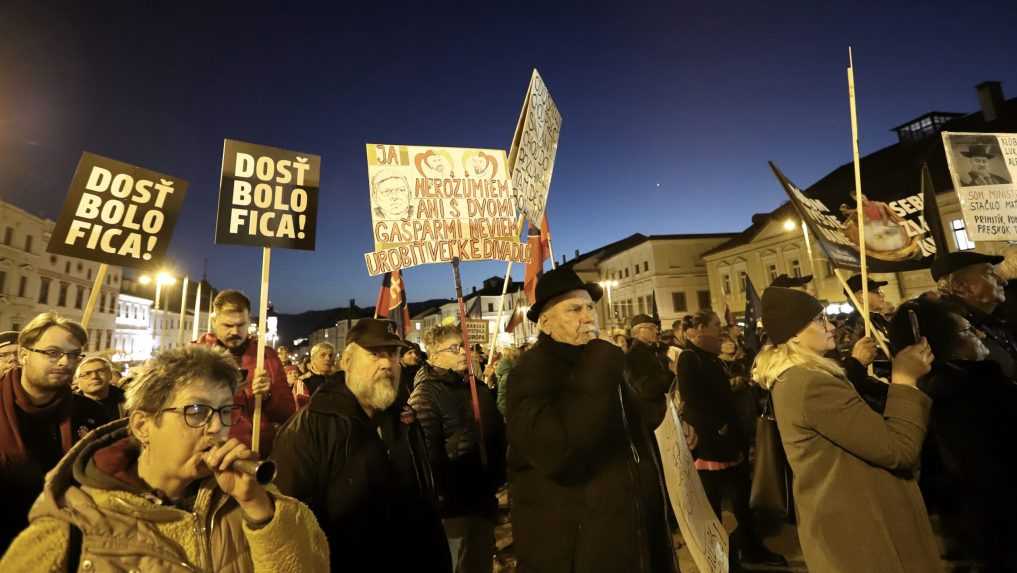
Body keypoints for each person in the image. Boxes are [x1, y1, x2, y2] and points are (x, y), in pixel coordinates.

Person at [0, 344, 329, 571]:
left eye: (225, 412)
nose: (217, 428)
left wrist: (260, 510)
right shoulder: (70, 527)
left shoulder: (248, 499)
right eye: (197, 411)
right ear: (143, 425)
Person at [753, 286, 940, 572]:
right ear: (793, 333)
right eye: (818, 320)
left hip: (851, 518)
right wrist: (904, 381)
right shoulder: (810, 384)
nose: (830, 327)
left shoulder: (800, 379)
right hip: (862, 528)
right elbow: (899, 449)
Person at [505, 267, 678, 573]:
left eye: (589, 308)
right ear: (545, 323)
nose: (587, 317)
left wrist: (660, 401)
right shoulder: (532, 373)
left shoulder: (599, 363)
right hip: (581, 546)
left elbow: (632, 425)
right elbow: (558, 450)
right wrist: (599, 367)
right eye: (574, 309)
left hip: (631, 533)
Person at [272, 319, 451, 572]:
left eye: (393, 353)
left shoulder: (405, 419)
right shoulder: (308, 429)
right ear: (347, 362)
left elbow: (425, 504)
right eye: (375, 354)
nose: (387, 363)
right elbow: (289, 527)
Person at [889, 298, 1017, 570]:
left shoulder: (928, 390)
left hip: (970, 528)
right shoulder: (976, 389)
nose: (979, 335)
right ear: (941, 344)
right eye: (968, 331)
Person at [676, 309, 785, 568]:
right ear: (700, 329)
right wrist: (719, 428)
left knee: (742, 502)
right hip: (712, 446)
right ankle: (720, 560)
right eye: (715, 325)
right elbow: (693, 400)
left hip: (729, 440)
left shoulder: (712, 358)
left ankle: (751, 549)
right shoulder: (690, 358)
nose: (721, 329)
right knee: (714, 508)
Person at [0, 313, 111, 552]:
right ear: (23, 355)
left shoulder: (92, 414)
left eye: (73, 355)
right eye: (53, 353)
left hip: (64, 543)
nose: (65, 362)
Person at [409, 323, 506, 573]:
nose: (464, 352)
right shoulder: (426, 393)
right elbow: (428, 454)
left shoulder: (475, 386)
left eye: (464, 346)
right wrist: (444, 493)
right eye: (455, 348)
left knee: (479, 560)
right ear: (435, 354)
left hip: (483, 494)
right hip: (454, 503)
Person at [195, 289, 295, 456]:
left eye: (241, 325)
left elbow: (288, 413)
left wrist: (267, 396)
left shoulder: (267, 357)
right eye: (227, 325)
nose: (235, 331)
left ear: (249, 322)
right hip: (210, 452)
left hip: (257, 452)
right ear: (214, 321)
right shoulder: (196, 356)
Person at [932, 251, 1017, 379]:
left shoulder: (990, 318)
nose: (1003, 281)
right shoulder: (956, 333)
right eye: (989, 274)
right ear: (960, 286)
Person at [73, 355, 126, 420]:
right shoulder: (67, 405)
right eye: (87, 374)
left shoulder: (129, 402)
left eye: (100, 371)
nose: (94, 376)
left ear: (110, 375)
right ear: (77, 380)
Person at [494, 346, 520, 418]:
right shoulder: (509, 375)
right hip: (510, 415)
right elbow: (502, 399)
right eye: (516, 357)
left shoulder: (505, 371)